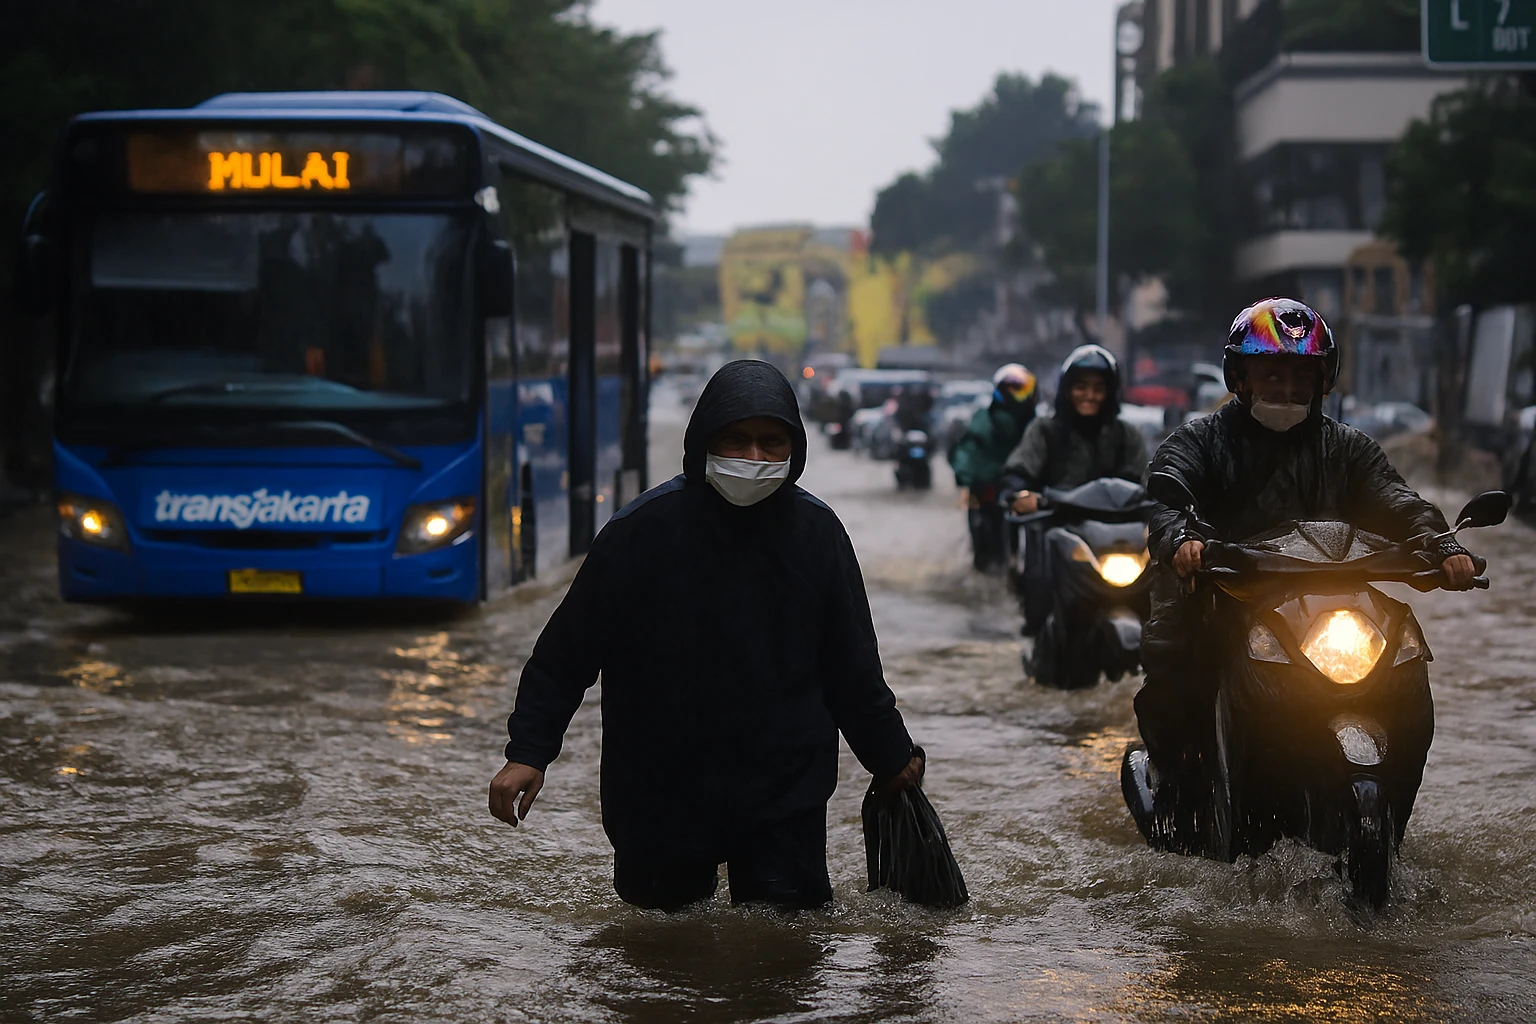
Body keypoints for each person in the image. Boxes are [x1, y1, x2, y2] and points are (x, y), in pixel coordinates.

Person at [488, 360, 925, 911]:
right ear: (703, 443)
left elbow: (853, 669)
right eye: (736, 440)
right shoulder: (639, 533)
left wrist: (890, 758)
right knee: (659, 957)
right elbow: (565, 654)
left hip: (783, 791)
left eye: (771, 443)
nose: (755, 458)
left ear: (796, 450)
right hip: (660, 786)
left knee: (782, 958)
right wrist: (529, 751)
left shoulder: (819, 537)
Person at [1133, 298, 1477, 788]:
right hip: (1225, 598)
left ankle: (1392, 823)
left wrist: (1443, 545)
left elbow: (1397, 500)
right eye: (1272, 374)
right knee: (1174, 672)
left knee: (1406, 666)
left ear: (1324, 381)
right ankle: (1181, 798)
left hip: (1329, 603)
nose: (1287, 388)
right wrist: (1183, 539)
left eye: (1301, 375)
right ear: (1241, 376)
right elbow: (1168, 496)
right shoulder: (1200, 441)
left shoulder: (1349, 448)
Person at [1000, 345, 1149, 632]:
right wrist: (1021, 494)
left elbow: (1147, 479)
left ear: (1110, 392)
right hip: (1060, 526)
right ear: (1066, 389)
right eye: (1080, 387)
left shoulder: (1125, 435)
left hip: (1121, 535)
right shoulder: (1045, 430)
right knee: (1038, 590)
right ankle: (1040, 635)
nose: (1089, 396)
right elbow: (1019, 471)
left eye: (1098, 388)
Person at [949, 364, 1039, 571]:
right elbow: (966, 453)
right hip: (987, 494)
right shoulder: (984, 420)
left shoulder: (1036, 425)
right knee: (985, 551)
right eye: (1015, 391)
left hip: (1022, 495)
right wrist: (968, 482)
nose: (1020, 397)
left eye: (1024, 390)